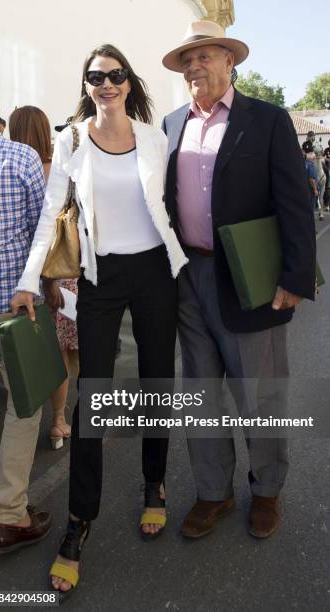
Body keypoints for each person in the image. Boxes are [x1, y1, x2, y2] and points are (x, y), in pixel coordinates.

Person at [11, 44, 187, 597]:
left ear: (128, 82)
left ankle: (154, 483)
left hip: (155, 272)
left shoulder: (156, 137)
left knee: (158, 383)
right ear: (86, 85)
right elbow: (49, 215)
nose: (106, 84)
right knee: (94, 394)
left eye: (114, 76)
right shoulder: (69, 141)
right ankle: (79, 521)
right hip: (100, 277)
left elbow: (170, 206)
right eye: (96, 77)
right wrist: (25, 280)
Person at [162, 21, 316, 540]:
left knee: (262, 394)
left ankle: (267, 489)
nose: (194, 68)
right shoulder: (170, 124)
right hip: (190, 277)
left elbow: (294, 201)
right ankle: (213, 492)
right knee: (201, 395)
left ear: (231, 62)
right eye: (187, 61)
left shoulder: (267, 120)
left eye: (204, 56)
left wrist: (295, 275)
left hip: (251, 279)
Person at [0, 80, 52, 550]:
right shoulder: (20, 157)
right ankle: (10, 513)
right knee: (23, 404)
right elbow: (40, 235)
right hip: (13, 304)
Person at [9, 106, 73, 449]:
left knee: (26, 356)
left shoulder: (12, 161)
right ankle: (59, 420)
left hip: (20, 279)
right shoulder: (57, 170)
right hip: (57, 273)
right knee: (58, 350)